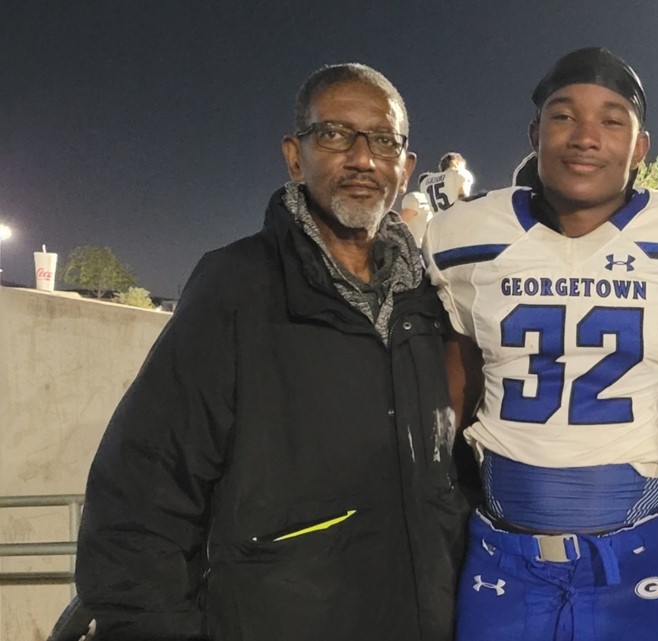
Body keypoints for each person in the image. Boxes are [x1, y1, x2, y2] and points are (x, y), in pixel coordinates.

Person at [74, 63, 465, 641]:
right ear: (294, 155)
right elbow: (145, 491)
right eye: (334, 133)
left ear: (404, 168)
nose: (361, 157)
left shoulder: (433, 301)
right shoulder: (237, 286)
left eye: (383, 141)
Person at [422, 47, 658, 641]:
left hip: (634, 550)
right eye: (564, 116)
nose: (586, 138)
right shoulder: (465, 238)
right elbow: (458, 380)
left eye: (612, 120)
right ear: (535, 133)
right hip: (501, 549)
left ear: (640, 146)